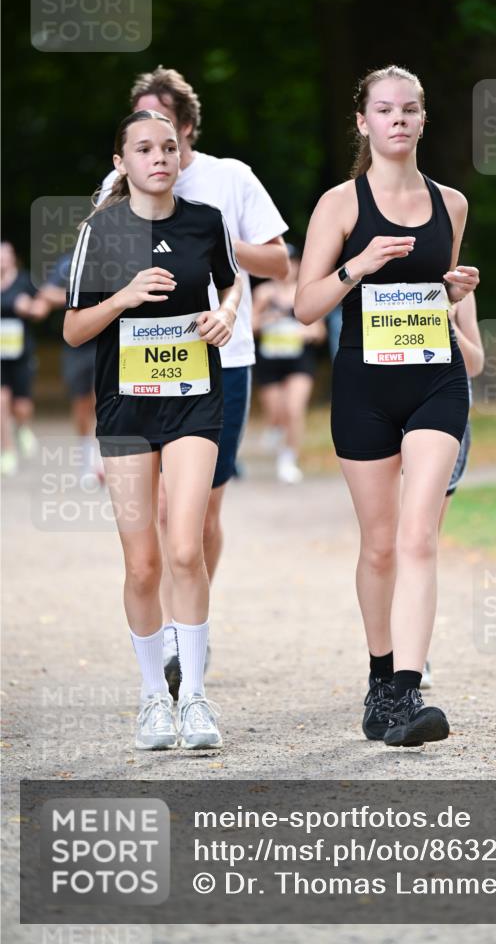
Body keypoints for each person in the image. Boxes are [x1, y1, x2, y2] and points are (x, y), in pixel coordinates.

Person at [295, 65, 479, 747]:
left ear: (423, 120)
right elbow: (305, 304)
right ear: (362, 122)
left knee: (417, 536)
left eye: (409, 109)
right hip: (364, 390)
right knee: (378, 548)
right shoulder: (340, 205)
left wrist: (458, 293)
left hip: (435, 380)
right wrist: (357, 265)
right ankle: (380, 683)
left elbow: (447, 300)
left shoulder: (451, 204)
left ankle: (406, 692)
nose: (397, 119)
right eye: (384, 109)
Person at [98, 67, 289, 698]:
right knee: (153, 509)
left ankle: (190, 623)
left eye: (163, 127)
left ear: (184, 128)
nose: (154, 143)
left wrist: (205, 239)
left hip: (220, 362)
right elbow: (97, 262)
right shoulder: (120, 183)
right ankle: (169, 632)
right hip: (138, 372)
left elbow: (277, 260)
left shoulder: (230, 178)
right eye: (140, 129)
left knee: (203, 511)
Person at [65, 109, 243, 751]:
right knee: (141, 565)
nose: (159, 157)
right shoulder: (102, 232)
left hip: (195, 402)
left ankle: (194, 696)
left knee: (186, 549)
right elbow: (74, 329)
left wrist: (224, 315)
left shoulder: (206, 222)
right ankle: (151, 700)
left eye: (168, 147)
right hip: (127, 413)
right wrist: (124, 296)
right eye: (144, 149)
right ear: (122, 162)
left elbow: (232, 286)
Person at [422, 291, 484, 689]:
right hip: (386, 415)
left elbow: (475, 363)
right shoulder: (370, 269)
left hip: (445, 419)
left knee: (422, 544)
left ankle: (414, 652)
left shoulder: (457, 289)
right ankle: (386, 650)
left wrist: (446, 323)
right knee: (388, 544)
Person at [252, 244, 326, 483]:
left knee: (294, 409)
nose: (288, 268)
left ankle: (288, 459)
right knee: (277, 411)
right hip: (270, 359)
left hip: (299, 360)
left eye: (293, 263)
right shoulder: (264, 293)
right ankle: (275, 429)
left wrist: (308, 333)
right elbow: (249, 326)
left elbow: (319, 331)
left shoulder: (304, 292)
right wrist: (266, 320)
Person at [35, 250, 103, 486]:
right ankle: (86, 462)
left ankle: (103, 461)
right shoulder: (70, 261)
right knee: (81, 403)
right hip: (78, 343)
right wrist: (79, 296)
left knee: (104, 400)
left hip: (108, 341)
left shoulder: (120, 257)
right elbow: (47, 292)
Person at [1, 242, 40, 476]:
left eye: (5, 256)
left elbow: (40, 307)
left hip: (21, 352)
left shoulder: (25, 281)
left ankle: (22, 427)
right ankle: (6, 451)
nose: (2, 261)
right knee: (1, 401)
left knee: (21, 406)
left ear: (13, 258)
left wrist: (29, 308)